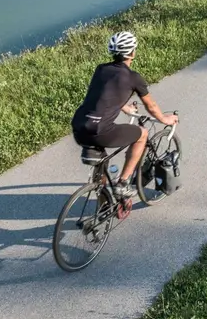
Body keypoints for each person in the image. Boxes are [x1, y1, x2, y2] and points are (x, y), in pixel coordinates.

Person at [71, 31, 178, 199]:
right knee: (142, 134)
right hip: (101, 131)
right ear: (132, 52)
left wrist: (125, 108)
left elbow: (103, 95)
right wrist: (165, 119)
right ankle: (122, 183)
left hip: (79, 127)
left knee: (102, 164)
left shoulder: (101, 70)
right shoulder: (133, 78)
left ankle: (103, 201)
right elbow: (151, 106)